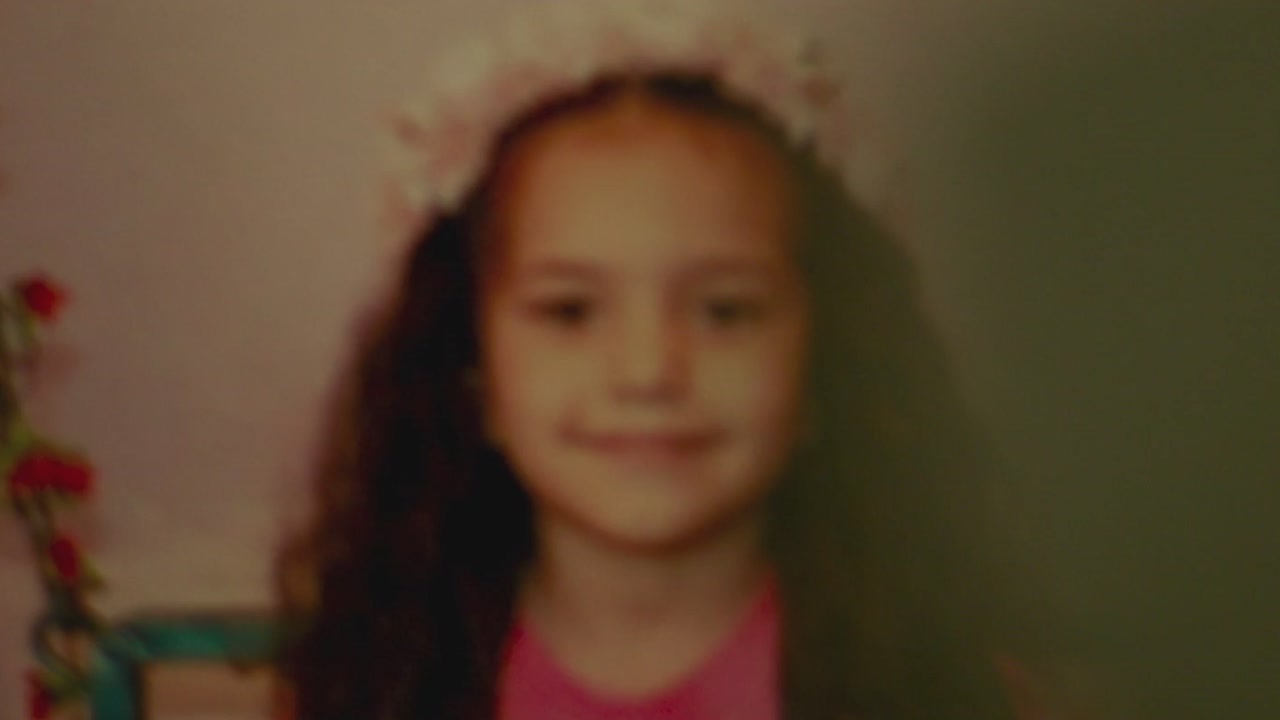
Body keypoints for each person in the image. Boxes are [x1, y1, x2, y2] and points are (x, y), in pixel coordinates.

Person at [274, 2, 1015, 718]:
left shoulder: (931, 685)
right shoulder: (387, 679)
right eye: (570, 311)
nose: (648, 372)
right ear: (470, 369)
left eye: (725, 311)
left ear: (828, 361)